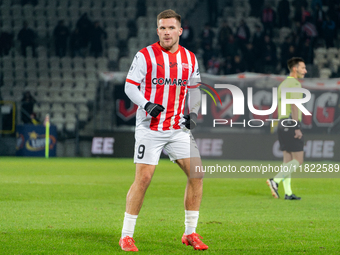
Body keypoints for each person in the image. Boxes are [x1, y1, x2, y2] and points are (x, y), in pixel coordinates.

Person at [119, 9, 208, 252]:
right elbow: (129, 87)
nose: (166, 32)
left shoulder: (190, 58)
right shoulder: (145, 55)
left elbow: (196, 89)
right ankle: (126, 235)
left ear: (180, 31)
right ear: (157, 30)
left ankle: (190, 233)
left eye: (171, 28)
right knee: (144, 178)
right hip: (150, 127)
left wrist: (194, 113)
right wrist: (147, 104)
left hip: (178, 128)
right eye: (162, 28)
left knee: (196, 175)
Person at [267, 57, 307, 200]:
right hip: (291, 123)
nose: (305, 71)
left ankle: (288, 193)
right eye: (303, 68)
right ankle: (275, 181)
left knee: (287, 160)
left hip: (282, 123)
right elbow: (295, 105)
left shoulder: (283, 84)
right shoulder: (295, 84)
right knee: (299, 160)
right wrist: (296, 126)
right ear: (295, 69)